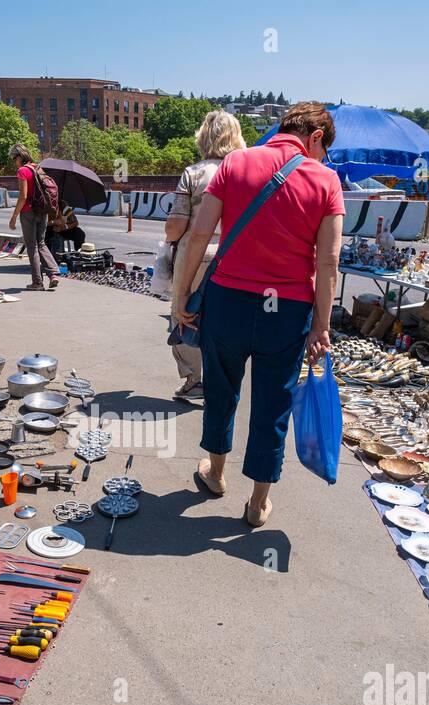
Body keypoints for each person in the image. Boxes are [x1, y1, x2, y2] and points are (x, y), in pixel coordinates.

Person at [171, 101, 343, 529]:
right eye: (323, 149)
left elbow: (198, 238)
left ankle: (215, 474)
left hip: (228, 300)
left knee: (221, 390)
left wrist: (181, 296)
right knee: (272, 403)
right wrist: (321, 326)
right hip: (285, 312)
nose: (321, 158)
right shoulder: (326, 180)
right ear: (316, 137)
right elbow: (328, 263)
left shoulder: (235, 164)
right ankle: (256, 502)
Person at [165, 109, 247, 402]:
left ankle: (194, 380)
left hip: (196, 256)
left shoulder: (194, 172)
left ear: (204, 137)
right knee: (225, 320)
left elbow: (176, 225)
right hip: (236, 257)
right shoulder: (247, 172)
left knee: (185, 314)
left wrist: (170, 238)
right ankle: (223, 380)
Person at [7, 144, 59, 291]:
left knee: (32, 246)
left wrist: (14, 216)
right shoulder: (37, 168)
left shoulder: (22, 171)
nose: (13, 162)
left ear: (19, 157)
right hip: (42, 210)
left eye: (13, 159)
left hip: (28, 212)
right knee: (41, 243)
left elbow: (23, 196)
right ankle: (53, 274)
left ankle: (37, 283)